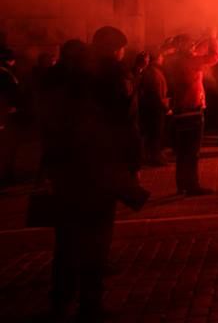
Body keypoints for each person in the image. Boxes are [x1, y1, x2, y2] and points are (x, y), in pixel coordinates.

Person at [47, 27, 145, 319]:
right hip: (100, 167)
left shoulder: (67, 74)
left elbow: (48, 118)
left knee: (66, 239)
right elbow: (127, 125)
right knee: (96, 239)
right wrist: (132, 166)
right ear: (116, 49)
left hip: (67, 168)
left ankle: (60, 300)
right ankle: (90, 304)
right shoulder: (115, 76)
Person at [165, 30, 218, 196]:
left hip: (180, 111)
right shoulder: (190, 61)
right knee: (192, 152)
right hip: (191, 110)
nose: (193, 46)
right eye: (190, 44)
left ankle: (182, 185)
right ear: (183, 46)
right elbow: (215, 56)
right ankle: (192, 185)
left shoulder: (174, 61)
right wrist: (212, 37)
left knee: (182, 152)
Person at [137, 48, 170, 166]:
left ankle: (153, 155)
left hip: (152, 107)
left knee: (154, 133)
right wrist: (165, 107)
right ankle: (155, 158)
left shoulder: (151, 71)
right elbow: (156, 93)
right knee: (155, 133)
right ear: (157, 59)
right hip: (155, 109)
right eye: (161, 57)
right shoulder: (154, 73)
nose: (163, 59)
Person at [0, 47, 23, 186]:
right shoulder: (5, 74)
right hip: (5, 115)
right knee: (6, 146)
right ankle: (6, 176)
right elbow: (12, 93)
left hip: (4, 114)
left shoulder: (6, 73)